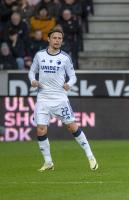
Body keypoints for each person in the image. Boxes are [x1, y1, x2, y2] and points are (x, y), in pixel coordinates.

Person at [28, 28, 98, 171]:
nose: (57, 40)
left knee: (72, 126)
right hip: (43, 98)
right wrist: (33, 80)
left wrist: (69, 84)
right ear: (49, 39)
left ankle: (90, 156)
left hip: (60, 98)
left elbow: (73, 76)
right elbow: (31, 71)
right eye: (55, 38)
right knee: (41, 130)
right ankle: (48, 162)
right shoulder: (40, 55)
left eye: (60, 38)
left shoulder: (65, 57)